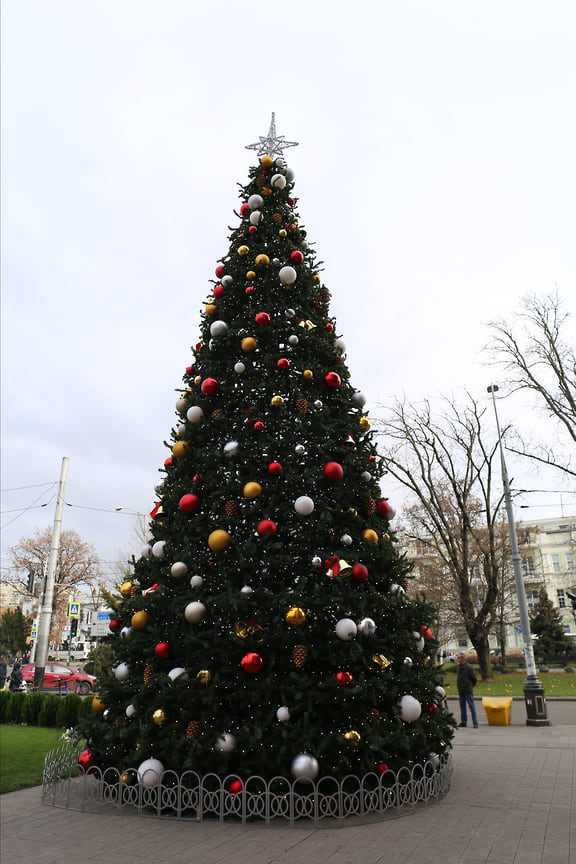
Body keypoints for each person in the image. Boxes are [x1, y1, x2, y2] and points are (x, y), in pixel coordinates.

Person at [456, 652, 478, 727]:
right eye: (458, 658)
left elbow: (474, 678)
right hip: (461, 690)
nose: (458, 659)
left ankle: (475, 722)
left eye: (459, 658)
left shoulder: (468, 667)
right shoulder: (458, 667)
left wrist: (471, 686)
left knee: (471, 706)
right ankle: (463, 721)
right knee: (462, 706)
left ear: (463, 659)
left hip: (468, 690)